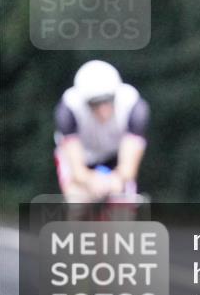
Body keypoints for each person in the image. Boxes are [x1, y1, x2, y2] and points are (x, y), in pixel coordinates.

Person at [54, 60, 149, 203]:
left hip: (116, 154)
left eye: (107, 101)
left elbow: (128, 168)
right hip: (82, 156)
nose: (103, 110)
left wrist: (117, 179)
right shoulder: (69, 109)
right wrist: (90, 181)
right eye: (95, 104)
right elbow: (77, 170)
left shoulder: (134, 107)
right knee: (77, 201)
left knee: (124, 203)